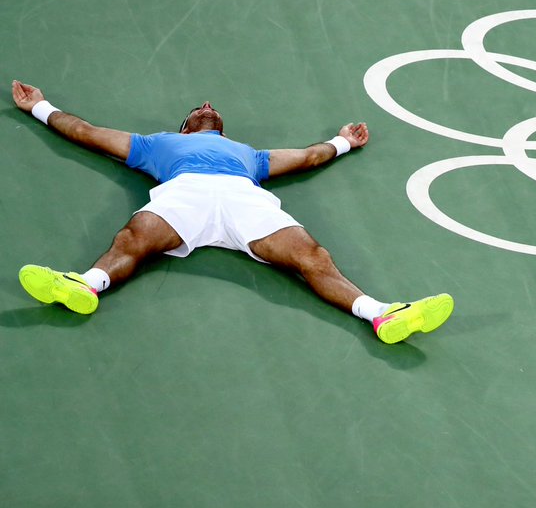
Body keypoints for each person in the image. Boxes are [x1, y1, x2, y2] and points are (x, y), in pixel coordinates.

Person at [10, 80, 453, 345]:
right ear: (185, 128)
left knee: (313, 256)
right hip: (186, 193)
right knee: (133, 240)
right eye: (198, 109)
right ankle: (86, 285)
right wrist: (40, 107)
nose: (207, 105)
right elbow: (86, 131)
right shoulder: (155, 144)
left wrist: (342, 142)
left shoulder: (250, 156)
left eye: (211, 108)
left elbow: (305, 156)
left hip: (244, 199)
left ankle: (381, 313)